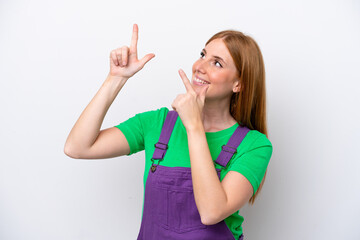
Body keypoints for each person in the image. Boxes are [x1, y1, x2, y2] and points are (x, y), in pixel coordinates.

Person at [64, 24, 273, 240]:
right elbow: (77, 147)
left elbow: (212, 212)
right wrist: (116, 78)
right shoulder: (157, 123)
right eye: (202, 54)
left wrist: (194, 126)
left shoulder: (254, 145)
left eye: (217, 63)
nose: (199, 66)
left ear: (238, 84)